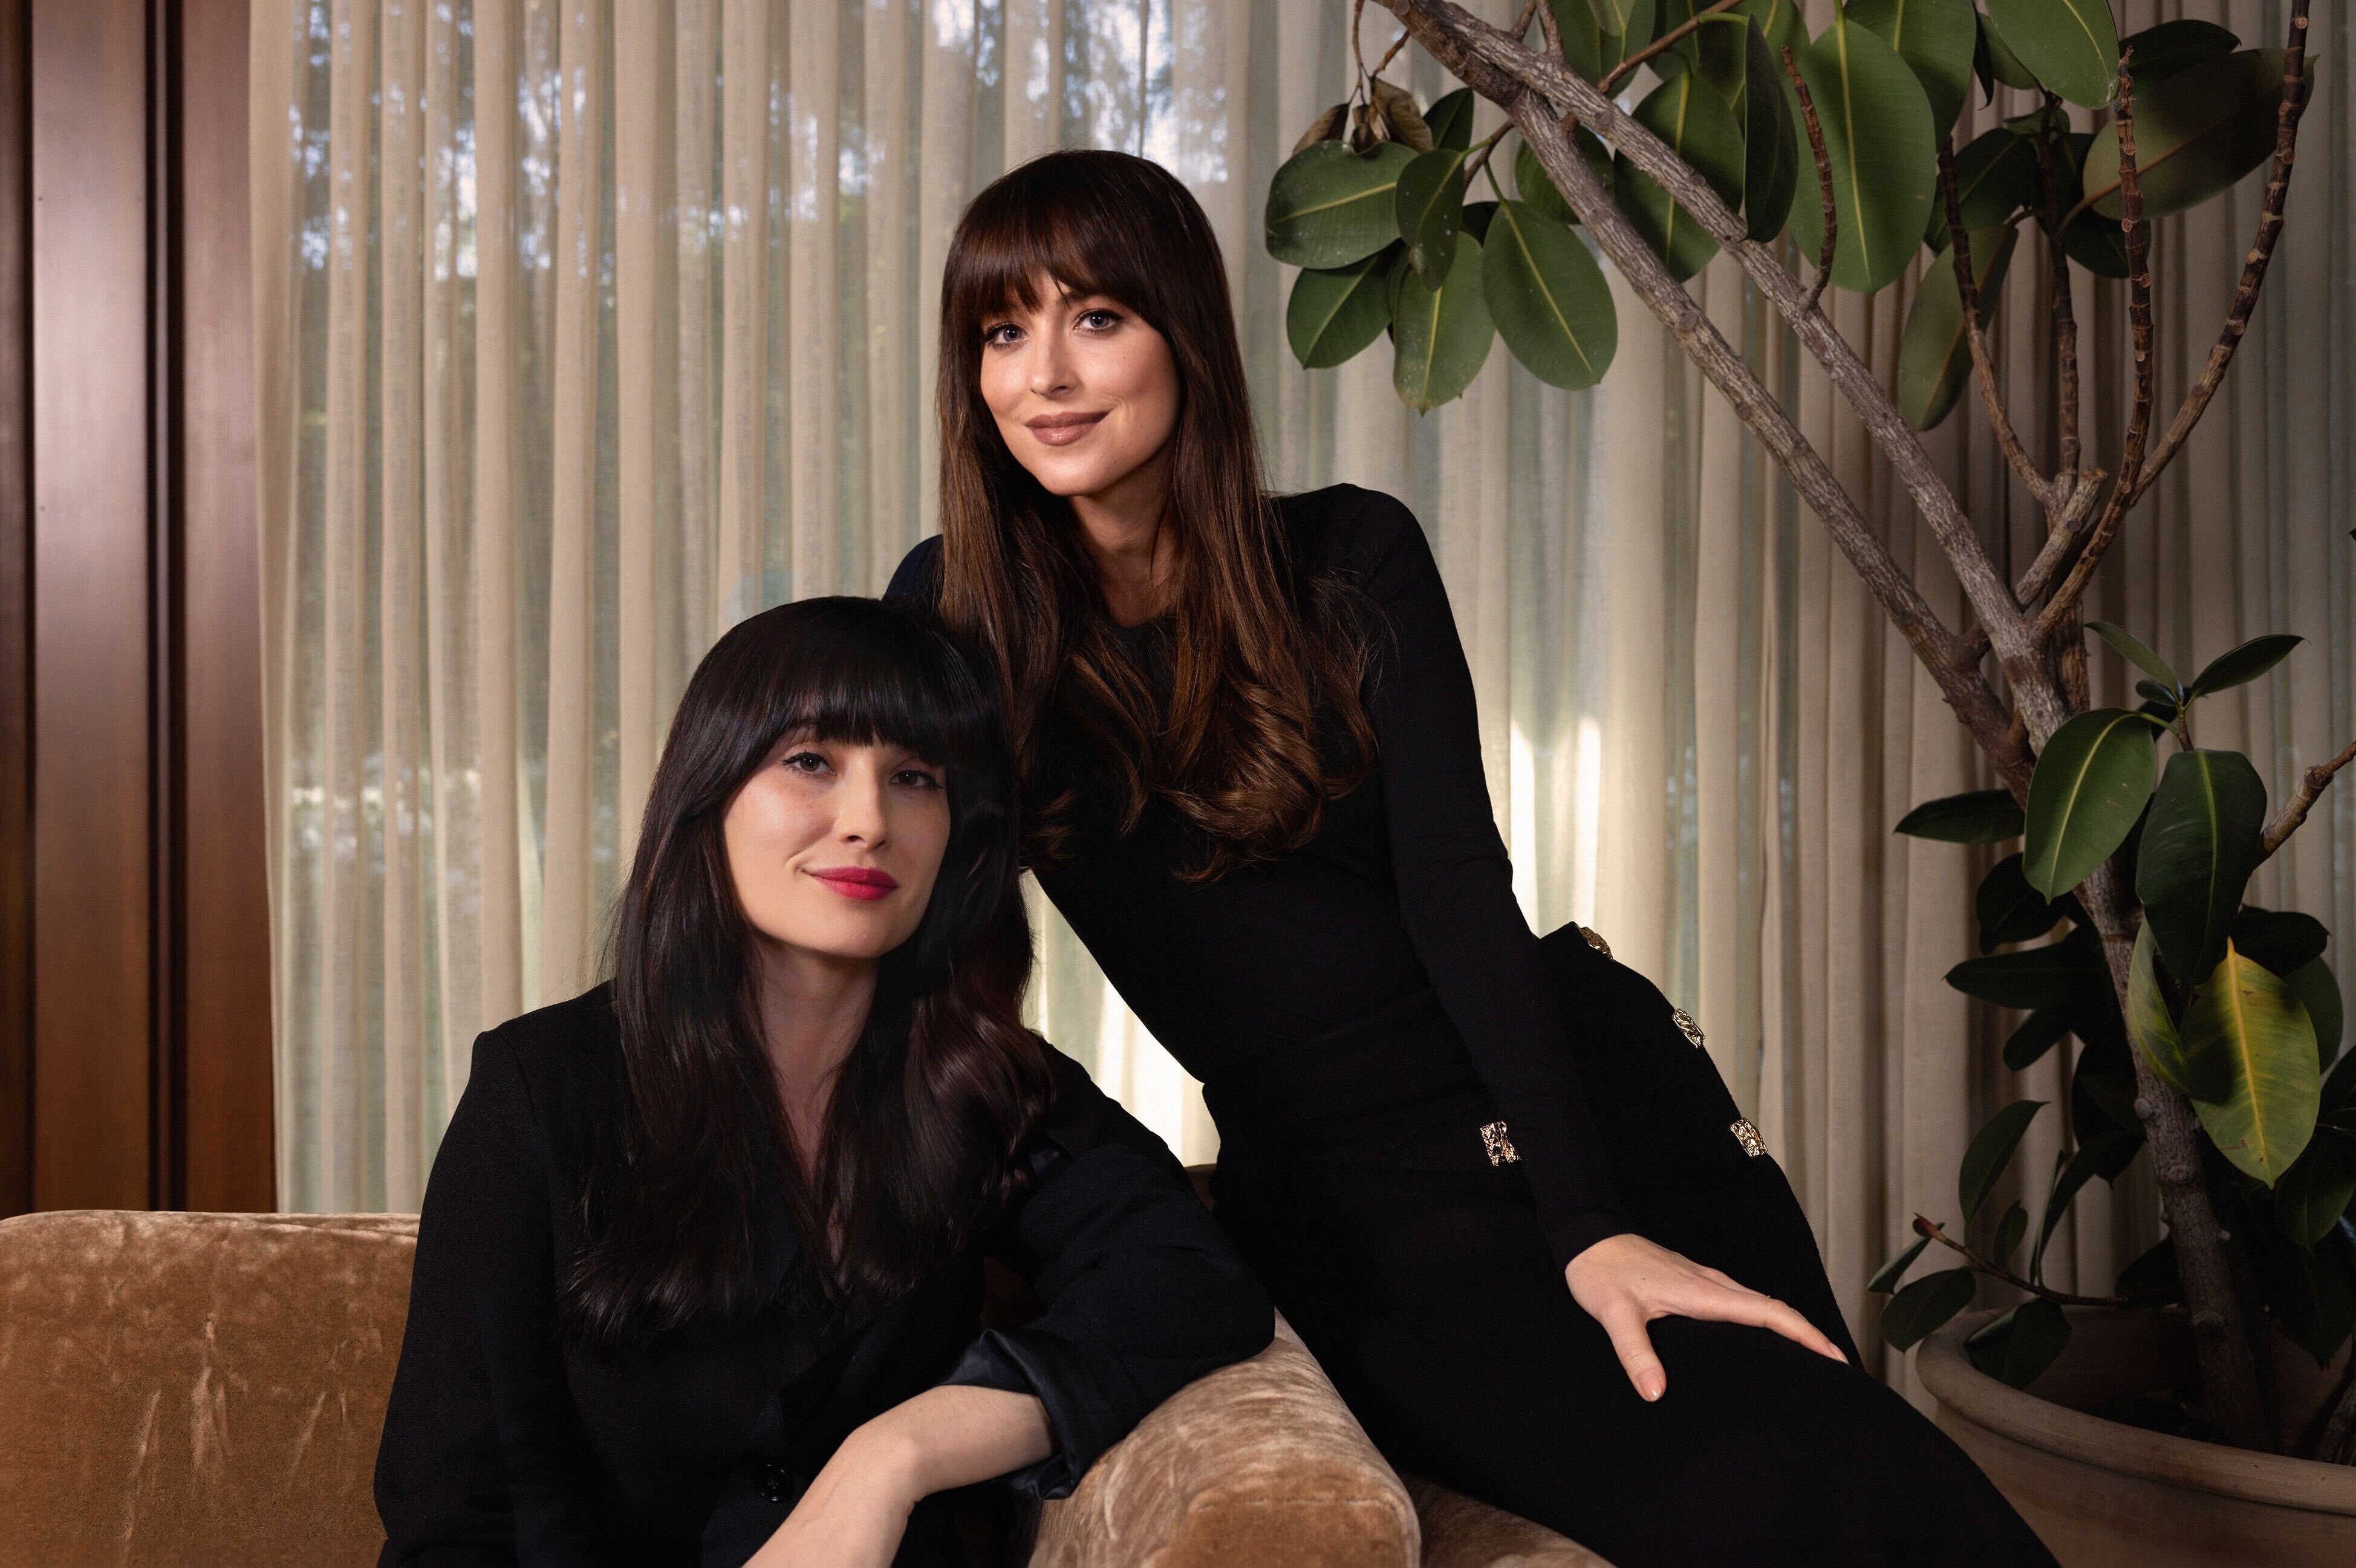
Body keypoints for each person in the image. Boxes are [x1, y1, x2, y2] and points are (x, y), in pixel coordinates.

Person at [887, 148, 2057, 1567]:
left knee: (1866, 1464)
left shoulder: (1351, 556)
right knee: (1761, 1477)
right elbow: (929, 955)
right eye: (1001, 332)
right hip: (1350, 1198)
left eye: (1095, 318)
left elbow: (1459, 898)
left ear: (1182, 331)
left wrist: (1589, 1221)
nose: (1045, 376)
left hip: (1583, 1106)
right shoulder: (957, 618)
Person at [373, 596, 1274, 1568]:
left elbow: (1190, 1277)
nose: (868, 822)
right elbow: (457, 1528)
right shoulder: (539, 1088)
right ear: (710, 791)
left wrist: (895, 1454)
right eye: (811, 762)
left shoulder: (984, 1076)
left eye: (914, 777)